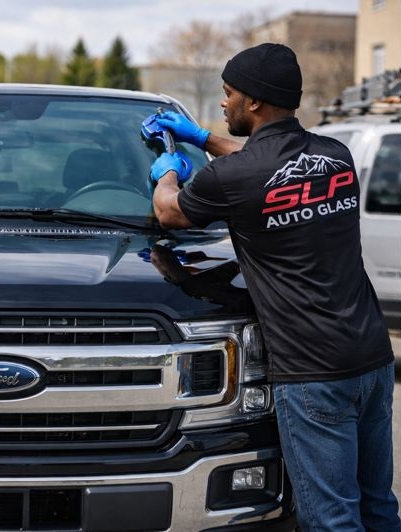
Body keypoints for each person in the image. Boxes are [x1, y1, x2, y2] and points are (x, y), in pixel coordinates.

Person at [149, 42, 399, 531]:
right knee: (378, 507)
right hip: (371, 359)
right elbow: (262, 167)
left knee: (332, 520)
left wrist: (167, 172)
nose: (223, 103)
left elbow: (169, 212)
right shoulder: (336, 156)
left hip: (313, 374)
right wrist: (203, 138)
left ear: (255, 101)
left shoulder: (235, 176)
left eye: (229, 93)